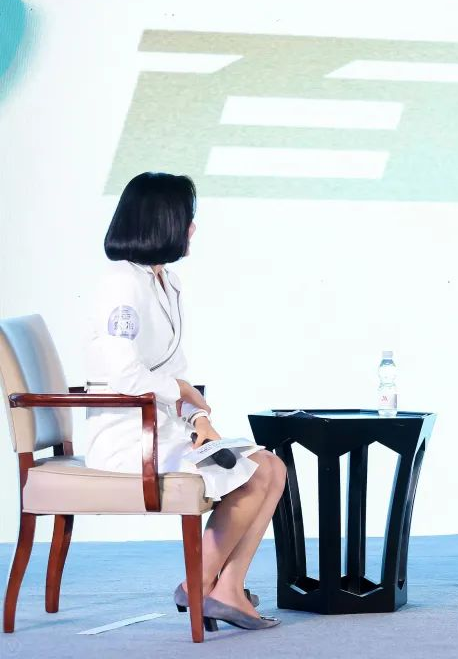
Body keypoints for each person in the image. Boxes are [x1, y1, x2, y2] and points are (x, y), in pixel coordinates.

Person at [84, 172, 286, 630]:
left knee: (272, 468)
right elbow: (125, 374)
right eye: (186, 218)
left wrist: (198, 418)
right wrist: (184, 395)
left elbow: (175, 371)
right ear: (162, 222)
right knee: (255, 474)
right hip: (129, 438)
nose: (192, 228)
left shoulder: (165, 281)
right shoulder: (121, 284)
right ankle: (199, 585)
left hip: (165, 429)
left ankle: (227, 587)